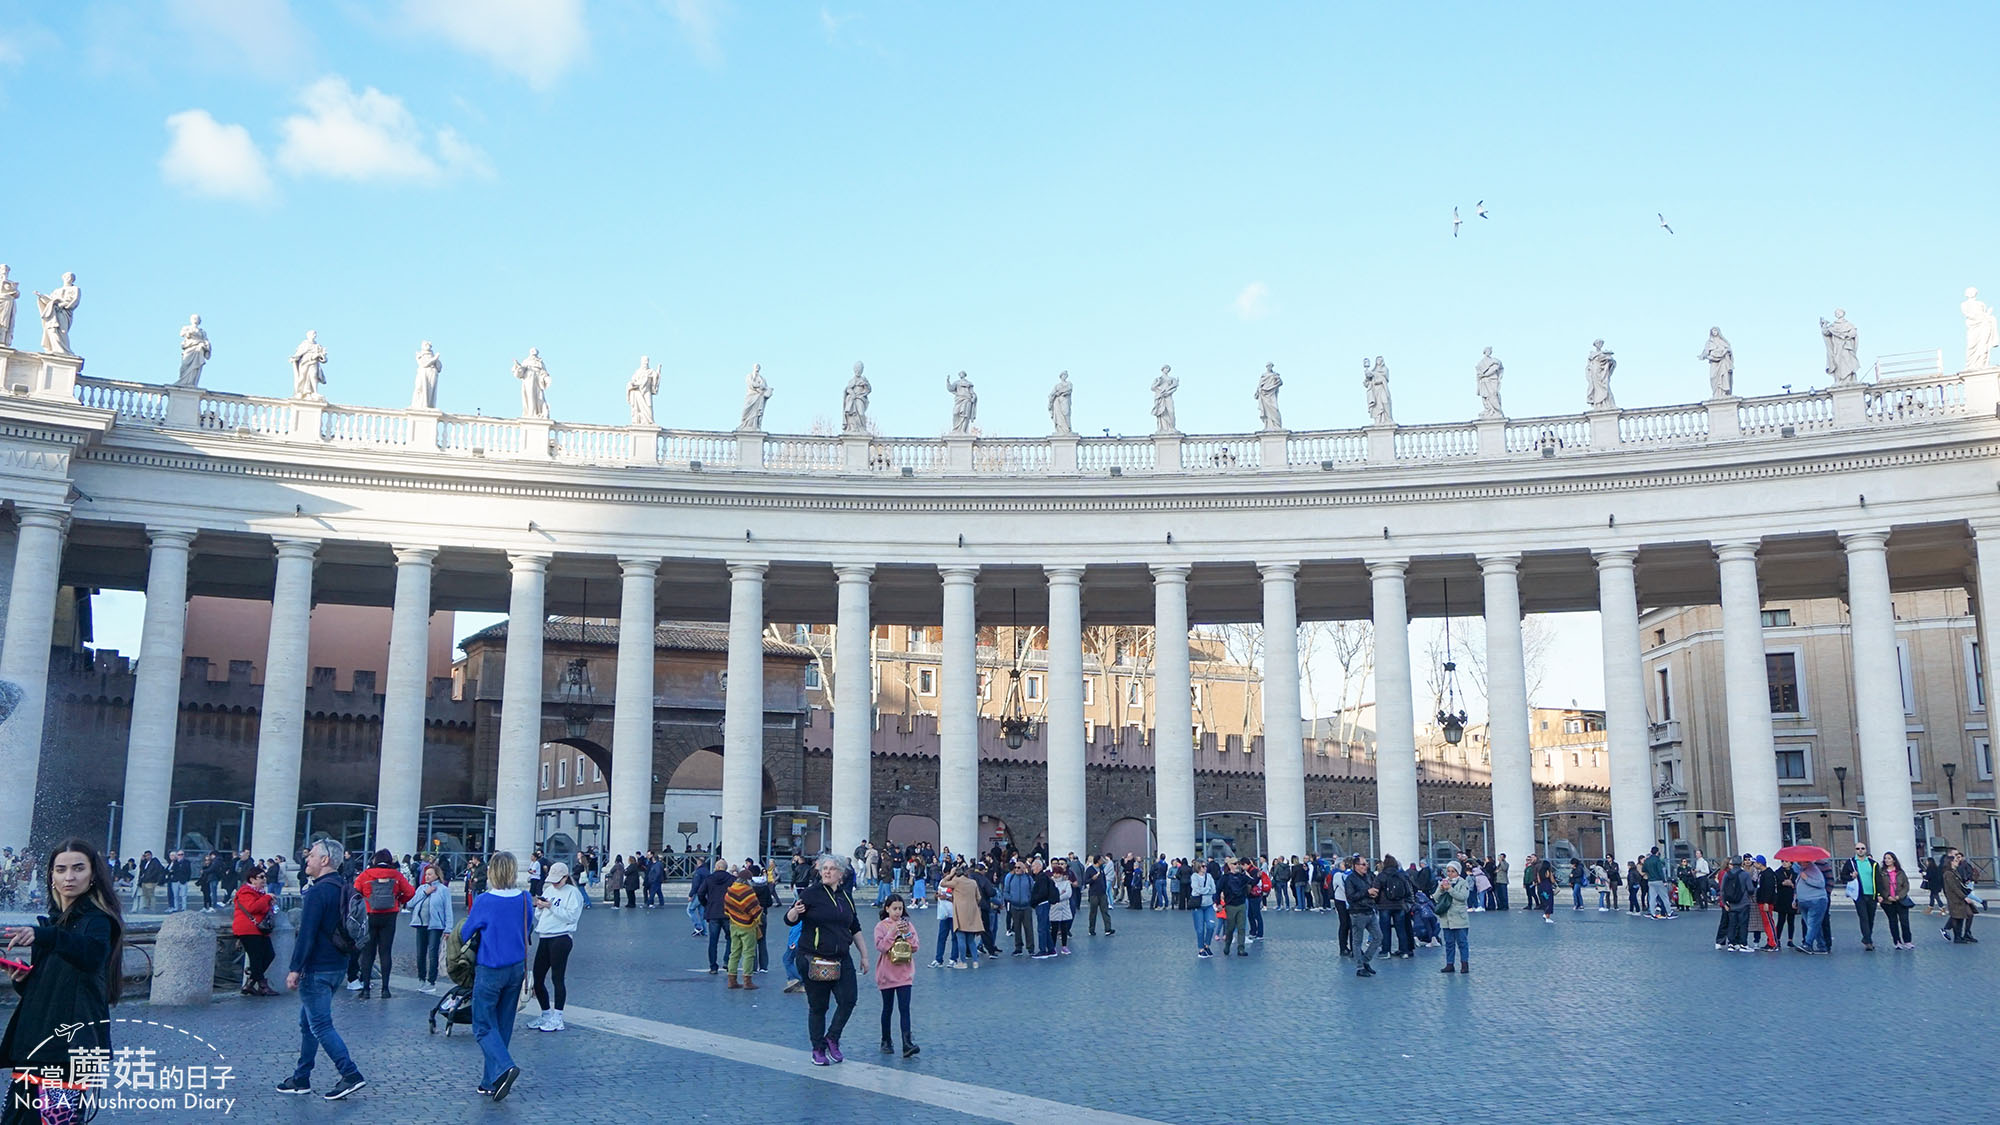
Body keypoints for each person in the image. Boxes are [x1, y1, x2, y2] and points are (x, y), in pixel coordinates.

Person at [0, 838, 125, 1122]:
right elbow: (53, 987)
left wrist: (46, 935)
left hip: (69, 1048)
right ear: (51, 876)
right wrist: (23, 980)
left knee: (56, 1121)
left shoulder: (98, 920)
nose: (69, 877)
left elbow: (91, 956)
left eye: (78, 868)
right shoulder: (54, 923)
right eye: (61, 869)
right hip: (36, 1044)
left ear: (93, 875)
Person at [280, 839, 367, 1100]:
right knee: (307, 1023)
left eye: (312, 856)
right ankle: (301, 1077)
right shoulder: (343, 886)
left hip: (316, 968)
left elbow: (306, 934)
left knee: (320, 1025)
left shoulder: (317, 892)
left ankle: (350, 1073)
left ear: (325, 860)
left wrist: (295, 968)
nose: (307, 859)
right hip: (338, 965)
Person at [458, 851, 531, 1101]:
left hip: (490, 968)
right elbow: (529, 926)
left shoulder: (485, 900)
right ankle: (490, 1081)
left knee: (482, 1025)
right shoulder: (525, 898)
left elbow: (466, 932)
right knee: (502, 1025)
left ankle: (505, 1066)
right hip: (516, 968)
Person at [786, 856, 870, 1067]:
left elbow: (855, 927)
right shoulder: (811, 894)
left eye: (832, 869)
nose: (827, 872)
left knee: (848, 999)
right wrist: (795, 911)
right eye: (824, 868)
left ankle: (832, 1037)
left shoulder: (846, 897)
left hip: (841, 957)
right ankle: (817, 1048)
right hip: (813, 958)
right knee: (819, 1006)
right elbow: (789, 919)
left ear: (840, 874)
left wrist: (865, 955)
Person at [353, 849, 414, 998]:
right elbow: (410, 892)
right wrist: (399, 901)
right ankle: (385, 989)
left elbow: (355, 891)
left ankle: (366, 989)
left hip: (370, 914)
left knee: (368, 953)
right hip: (389, 915)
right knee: (385, 952)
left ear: (375, 860)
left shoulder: (366, 875)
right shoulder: (396, 875)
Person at [529, 862, 582, 1030]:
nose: (554, 884)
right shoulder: (549, 890)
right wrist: (540, 907)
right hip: (544, 935)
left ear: (566, 877)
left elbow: (571, 917)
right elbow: (540, 915)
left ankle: (558, 1016)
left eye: (557, 881)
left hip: (561, 937)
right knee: (537, 977)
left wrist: (550, 907)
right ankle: (545, 1013)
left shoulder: (573, 893)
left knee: (557, 978)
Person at [874, 895, 920, 1059]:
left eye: (900, 908)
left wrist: (907, 933)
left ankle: (907, 1043)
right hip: (887, 974)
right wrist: (893, 932)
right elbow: (881, 947)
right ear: (887, 909)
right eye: (894, 908)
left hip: (904, 974)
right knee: (887, 1008)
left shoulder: (908, 925)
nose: (898, 912)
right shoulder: (881, 926)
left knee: (904, 1009)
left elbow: (915, 947)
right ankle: (886, 1040)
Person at [231, 865, 280, 995]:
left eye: (265, 877)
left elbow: (262, 909)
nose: (264, 880)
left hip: (260, 929)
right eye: (261, 877)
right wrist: (267, 898)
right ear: (252, 880)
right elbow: (252, 908)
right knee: (256, 957)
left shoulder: (261, 893)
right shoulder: (245, 891)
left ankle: (250, 983)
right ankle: (263, 986)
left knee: (269, 955)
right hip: (248, 929)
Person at [408, 862, 454, 993]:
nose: (427, 876)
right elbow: (410, 904)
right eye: (426, 874)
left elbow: (448, 910)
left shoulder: (443, 890)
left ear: (436, 875)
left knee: (433, 953)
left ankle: (431, 981)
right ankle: (421, 978)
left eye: (429, 874)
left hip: (436, 925)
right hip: (420, 924)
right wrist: (424, 892)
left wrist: (448, 928)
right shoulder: (421, 888)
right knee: (420, 953)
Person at [724, 864, 763, 989]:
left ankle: (732, 979)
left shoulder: (730, 891)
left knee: (734, 952)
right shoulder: (748, 891)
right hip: (747, 926)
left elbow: (727, 908)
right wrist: (757, 918)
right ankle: (747, 981)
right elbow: (755, 909)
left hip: (733, 924)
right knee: (748, 953)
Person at [1839, 843, 1880, 951]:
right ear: (1855, 850)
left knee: (1871, 918)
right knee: (1864, 918)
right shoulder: (1851, 862)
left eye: (1862, 848)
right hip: (1859, 895)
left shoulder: (1873, 863)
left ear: (1866, 850)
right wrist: (1851, 876)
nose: (1860, 850)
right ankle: (1868, 941)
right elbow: (1843, 876)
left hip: (1872, 894)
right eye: (1858, 849)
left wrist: (1879, 894)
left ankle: (1867, 938)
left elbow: (1878, 879)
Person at [1346, 856, 1379, 977]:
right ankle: (1360, 967)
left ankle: (1365, 960)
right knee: (1357, 941)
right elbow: (1350, 897)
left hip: (1370, 910)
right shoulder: (1350, 879)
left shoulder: (1368, 876)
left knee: (1378, 937)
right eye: (1363, 864)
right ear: (1356, 866)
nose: (1366, 866)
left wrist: (1374, 894)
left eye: (1366, 864)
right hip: (1357, 912)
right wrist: (1367, 892)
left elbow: (1371, 889)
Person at [1435, 861, 1470, 974]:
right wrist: (1441, 889)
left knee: (1462, 942)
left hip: (1459, 918)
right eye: (1448, 871)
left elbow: (1462, 897)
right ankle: (1449, 964)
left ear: (1457, 872)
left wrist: (1450, 889)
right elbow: (1435, 898)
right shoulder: (1443, 882)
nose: (1450, 873)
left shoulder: (1463, 883)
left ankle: (1464, 964)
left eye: (1452, 871)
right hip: (1446, 919)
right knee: (1449, 943)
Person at [1876, 852, 1915, 950]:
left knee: (1904, 921)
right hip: (1888, 902)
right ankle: (1897, 941)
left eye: (1889, 858)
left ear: (1894, 860)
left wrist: (1899, 896)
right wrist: (1887, 896)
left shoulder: (1900, 872)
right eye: (1885, 858)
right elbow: (1879, 886)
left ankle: (1907, 941)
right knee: (1893, 921)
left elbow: (1906, 885)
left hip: (1900, 900)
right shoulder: (1881, 872)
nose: (1887, 860)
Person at [946, 865, 983, 968]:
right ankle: (975, 961)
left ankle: (962, 962)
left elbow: (942, 883)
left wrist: (950, 874)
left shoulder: (956, 882)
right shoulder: (973, 882)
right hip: (971, 913)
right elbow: (979, 898)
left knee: (961, 938)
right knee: (971, 940)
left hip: (960, 913)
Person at [1792, 859, 1830, 954]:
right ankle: (1822, 946)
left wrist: (1806, 879)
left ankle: (1807, 944)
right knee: (1812, 925)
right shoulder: (1800, 871)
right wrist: (1795, 899)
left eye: (1804, 862)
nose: (1801, 863)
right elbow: (1797, 886)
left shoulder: (1814, 870)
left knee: (1813, 924)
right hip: (1803, 901)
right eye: (1800, 862)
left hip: (1816, 900)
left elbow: (1821, 883)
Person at [1941, 850, 1978, 944]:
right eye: (1956, 861)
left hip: (1960, 897)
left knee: (1964, 915)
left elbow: (1959, 885)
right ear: (1951, 862)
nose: (1958, 862)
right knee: (1957, 916)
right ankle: (1957, 936)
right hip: (1955, 898)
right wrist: (1964, 897)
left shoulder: (1954, 872)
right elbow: (1954, 887)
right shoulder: (1948, 873)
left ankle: (1962, 935)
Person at [1216, 858, 1251, 956]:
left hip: (1241, 904)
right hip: (1230, 905)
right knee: (1230, 928)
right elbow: (1218, 890)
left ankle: (1241, 948)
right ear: (1230, 865)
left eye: (1238, 864)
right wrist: (1218, 903)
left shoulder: (1242, 876)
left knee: (1241, 927)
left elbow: (1253, 882)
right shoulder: (1225, 878)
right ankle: (1227, 945)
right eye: (1235, 864)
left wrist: (1253, 875)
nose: (1237, 866)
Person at [1188, 860, 1217, 958]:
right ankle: (1201, 949)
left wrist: (1204, 890)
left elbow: (1213, 889)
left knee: (1211, 926)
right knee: (1200, 929)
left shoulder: (1209, 876)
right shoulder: (1194, 877)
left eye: (1206, 866)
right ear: (1198, 867)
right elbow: (1196, 889)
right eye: (1203, 866)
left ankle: (1207, 945)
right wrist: (1207, 890)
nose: (1205, 868)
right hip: (1198, 905)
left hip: (1208, 905)